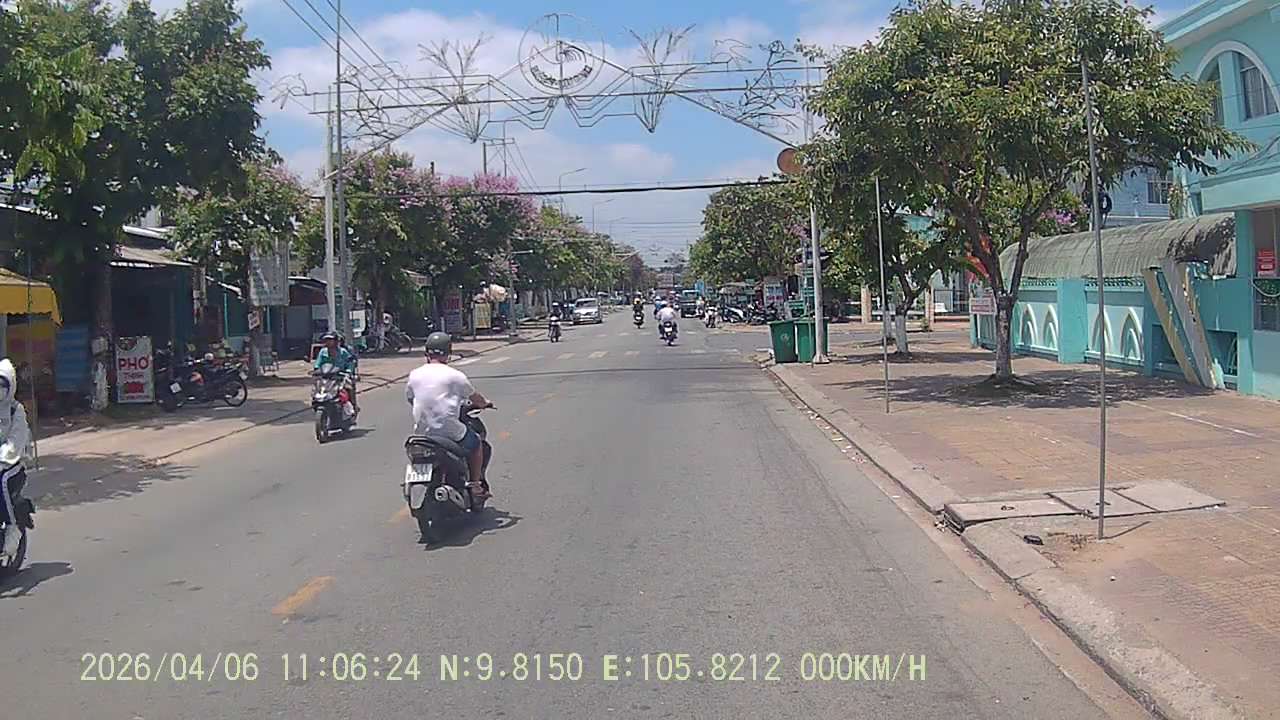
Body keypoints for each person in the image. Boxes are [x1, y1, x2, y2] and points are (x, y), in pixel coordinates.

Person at [406, 332, 493, 498]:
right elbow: (475, 398)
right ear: (448, 353)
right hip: (449, 431)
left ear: (426, 353)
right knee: (476, 444)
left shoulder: (414, 374)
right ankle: (475, 485)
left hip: (422, 433)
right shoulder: (455, 376)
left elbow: (410, 398)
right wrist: (485, 403)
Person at [0, 359, 33, 560]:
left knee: (1, 482)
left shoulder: (15, 410)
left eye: (2, 384)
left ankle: (13, 528)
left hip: (13, 462)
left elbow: (16, 439)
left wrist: (3, 458)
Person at [314, 332, 359, 413]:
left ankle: (352, 407)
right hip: (326, 376)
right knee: (318, 389)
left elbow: (350, 362)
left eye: (330, 340)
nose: (328, 342)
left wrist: (348, 371)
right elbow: (318, 362)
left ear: (335, 341)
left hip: (340, 376)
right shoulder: (323, 351)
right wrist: (316, 369)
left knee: (348, 388)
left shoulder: (343, 351)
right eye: (326, 340)